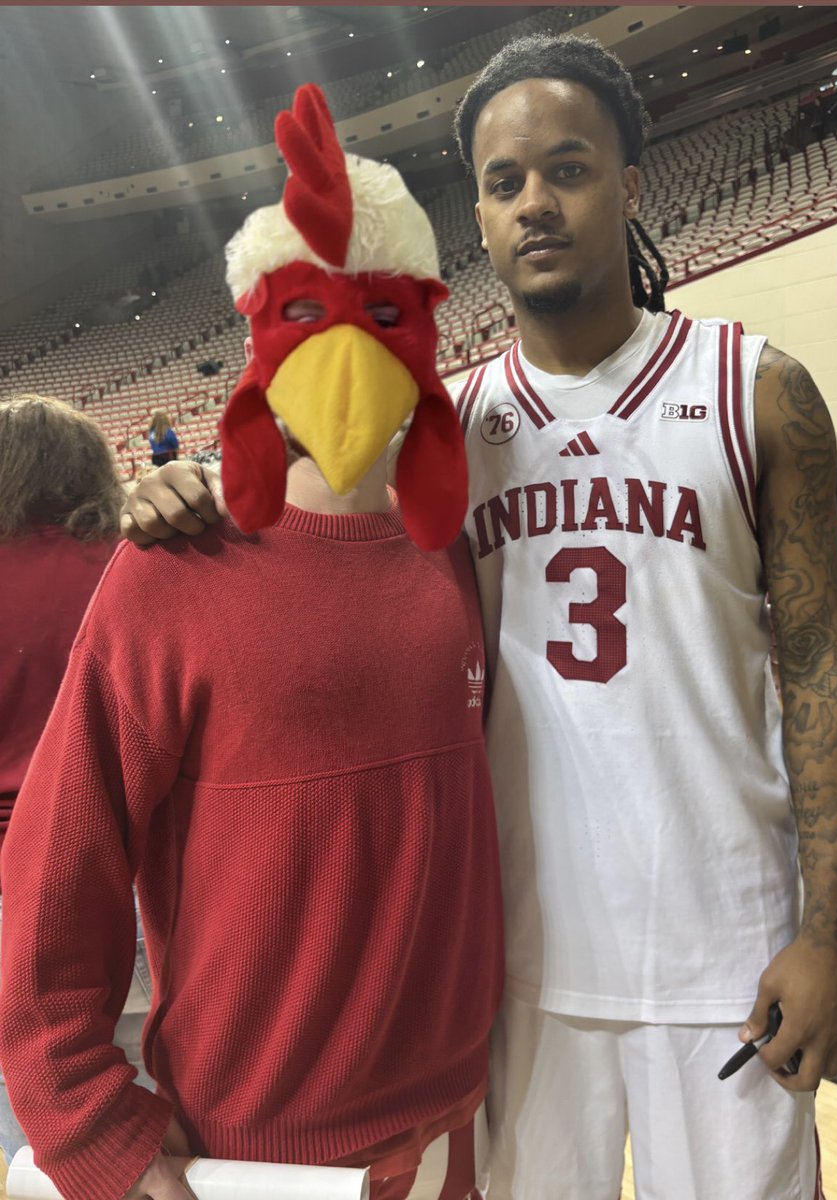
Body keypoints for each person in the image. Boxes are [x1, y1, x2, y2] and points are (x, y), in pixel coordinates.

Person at [120, 36, 837, 1200]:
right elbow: (293, 528)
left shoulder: (753, 386)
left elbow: (826, 663)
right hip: (511, 968)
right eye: (504, 181)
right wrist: (184, 491)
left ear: (629, 184)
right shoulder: (444, 426)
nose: (535, 202)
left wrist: (833, 932)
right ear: (475, 217)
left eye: (567, 169)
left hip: (727, 948)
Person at [0, 89, 502, 1200]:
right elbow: (55, 872)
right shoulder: (178, 562)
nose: (349, 357)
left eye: (380, 319)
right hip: (256, 1152)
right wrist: (92, 1129)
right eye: (312, 319)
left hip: (459, 1118)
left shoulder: (450, 550)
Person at [0, 394, 154, 1162]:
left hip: (16, 893)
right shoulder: (144, 560)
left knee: (39, 1131)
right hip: (150, 880)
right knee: (162, 1106)